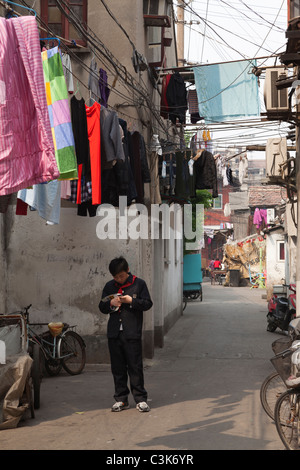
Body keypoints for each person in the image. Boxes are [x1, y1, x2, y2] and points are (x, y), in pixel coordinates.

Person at [99, 256, 153, 412]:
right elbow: (101, 306)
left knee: (135, 366)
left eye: (121, 276)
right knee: (118, 367)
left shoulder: (139, 284)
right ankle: (121, 399)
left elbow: (148, 303)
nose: (119, 279)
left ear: (127, 270)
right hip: (114, 333)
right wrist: (110, 303)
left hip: (132, 332)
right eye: (116, 277)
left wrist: (131, 301)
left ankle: (140, 399)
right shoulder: (109, 286)